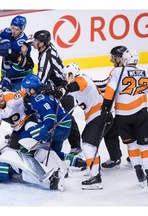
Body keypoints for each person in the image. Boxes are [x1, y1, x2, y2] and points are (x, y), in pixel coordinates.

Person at [54, 63, 116, 189]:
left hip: (100, 115)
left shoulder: (82, 79)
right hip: (98, 116)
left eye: (66, 76)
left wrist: (65, 89)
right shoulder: (74, 87)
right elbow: (71, 94)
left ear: (71, 75)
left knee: (88, 145)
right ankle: (92, 167)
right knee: (88, 142)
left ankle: (96, 178)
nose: (65, 79)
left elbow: (76, 85)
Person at [21, 30, 82, 155]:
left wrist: (30, 92)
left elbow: (40, 81)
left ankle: (75, 146)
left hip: (61, 90)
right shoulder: (47, 47)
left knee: (66, 116)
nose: (34, 43)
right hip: (55, 88)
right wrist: (27, 45)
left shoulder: (46, 57)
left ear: (42, 43)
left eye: (36, 41)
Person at [102, 49, 148, 187]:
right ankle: (147, 170)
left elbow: (110, 91)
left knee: (131, 144)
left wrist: (105, 108)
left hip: (123, 116)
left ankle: (138, 171)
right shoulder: (145, 73)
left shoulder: (117, 72)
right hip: (141, 114)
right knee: (144, 146)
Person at [21, 74, 84, 168]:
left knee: (24, 136)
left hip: (57, 126)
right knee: (53, 154)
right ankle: (76, 161)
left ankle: (25, 160)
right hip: (65, 127)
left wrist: (46, 128)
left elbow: (50, 115)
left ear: (33, 88)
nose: (26, 91)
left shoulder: (38, 99)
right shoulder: (46, 91)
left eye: (27, 89)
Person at [93, 45, 127, 169]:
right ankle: (139, 156)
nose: (112, 60)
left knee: (111, 133)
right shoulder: (134, 70)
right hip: (138, 109)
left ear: (120, 58)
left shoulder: (118, 72)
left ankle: (115, 157)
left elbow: (104, 86)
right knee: (136, 134)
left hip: (123, 110)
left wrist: (87, 82)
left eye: (113, 57)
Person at [0, 85, 38, 149]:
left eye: (1, 96)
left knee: (29, 136)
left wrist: (27, 98)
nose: (1, 99)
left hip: (29, 118)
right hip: (17, 128)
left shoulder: (11, 96)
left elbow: (26, 93)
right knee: (14, 147)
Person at [0, 15, 34, 92]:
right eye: (12, 28)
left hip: (21, 78)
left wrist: (7, 77)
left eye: (17, 29)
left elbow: (21, 64)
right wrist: (0, 42)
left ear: (22, 29)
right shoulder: (7, 32)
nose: (13, 31)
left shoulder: (23, 45)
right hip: (6, 75)